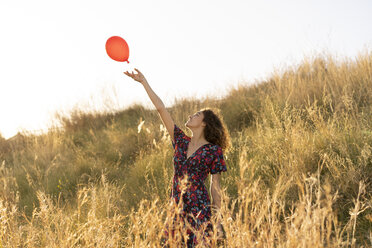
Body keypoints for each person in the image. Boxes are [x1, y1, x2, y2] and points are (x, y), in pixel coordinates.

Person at [124, 68, 229, 247]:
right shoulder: (180, 140)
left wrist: (218, 220)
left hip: (199, 209)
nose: (190, 115)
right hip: (176, 208)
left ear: (204, 123)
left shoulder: (213, 151)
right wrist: (144, 82)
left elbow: (215, 187)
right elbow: (160, 108)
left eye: (196, 115)